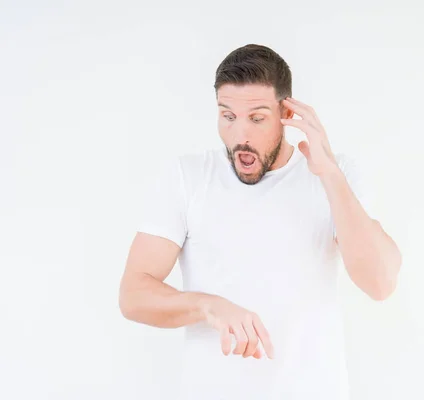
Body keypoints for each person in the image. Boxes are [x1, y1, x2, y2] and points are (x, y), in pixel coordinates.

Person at [118, 43, 402, 400]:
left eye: (256, 118)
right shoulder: (188, 177)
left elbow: (380, 282)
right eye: (227, 116)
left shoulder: (336, 174)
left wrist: (328, 173)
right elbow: (133, 294)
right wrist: (208, 305)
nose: (240, 137)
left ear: (287, 113)